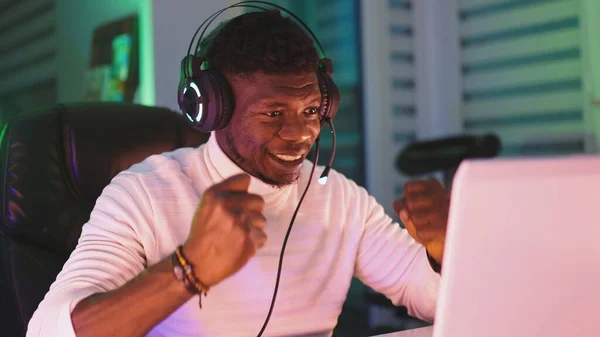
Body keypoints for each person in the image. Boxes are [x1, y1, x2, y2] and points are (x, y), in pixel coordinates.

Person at [26, 9, 449, 337]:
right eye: (273, 113)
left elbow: (430, 301)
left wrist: (443, 251)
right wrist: (187, 269)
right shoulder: (144, 193)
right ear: (212, 109)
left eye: (312, 111)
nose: (301, 134)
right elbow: (47, 331)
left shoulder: (338, 197)